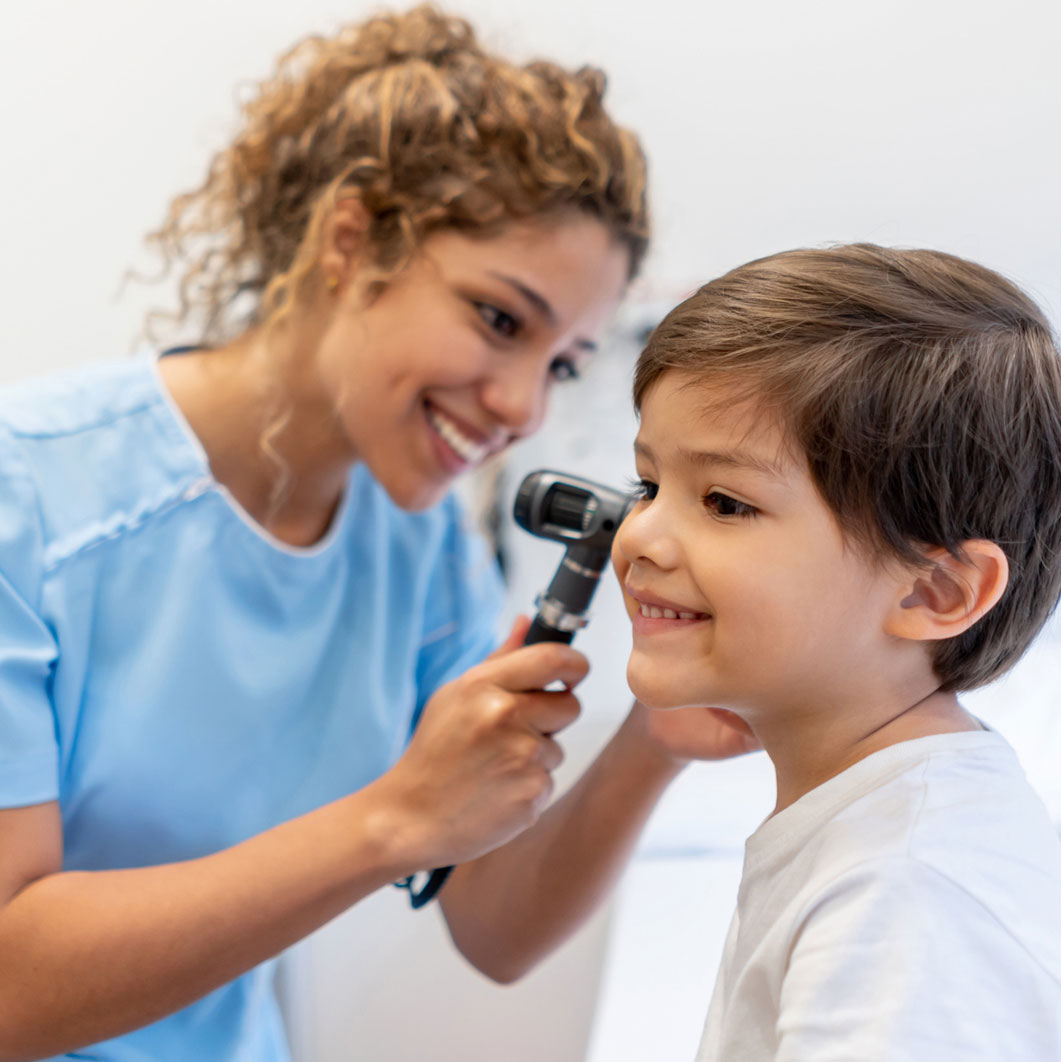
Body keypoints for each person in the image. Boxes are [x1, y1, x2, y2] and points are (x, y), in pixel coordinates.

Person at [0, 7, 759, 1061]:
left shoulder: (421, 550)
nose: (520, 409)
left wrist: (650, 744)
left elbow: (492, 925)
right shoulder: (27, 494)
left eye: (561, 364)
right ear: (350, 242)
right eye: (500, 319)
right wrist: (394, 816)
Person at [610, 242, 1061, 1060]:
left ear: (935, 592)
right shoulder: (879, 832)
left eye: (723, 502)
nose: (638, 535)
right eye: (648, 485)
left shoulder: (909, 895)